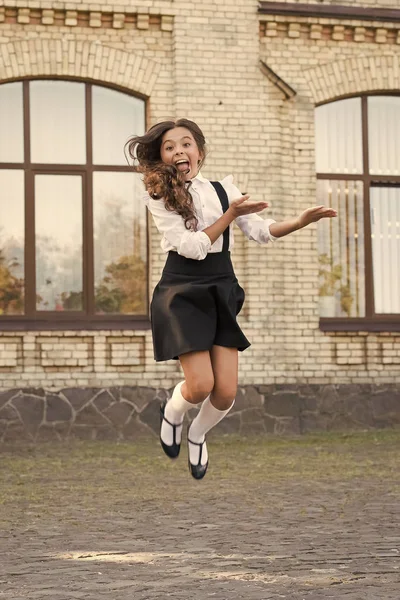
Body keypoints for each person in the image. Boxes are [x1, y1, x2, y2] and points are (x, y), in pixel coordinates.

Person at [127, 118, 336, 480]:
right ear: (161, 157)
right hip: (182, 291)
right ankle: (173, 413)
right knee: (200, 386)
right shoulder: (158, 196)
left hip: (221, 287)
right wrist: (230, 215)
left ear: (200, 152)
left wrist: (299, 221)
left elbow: (262, 231)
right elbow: (192, 248)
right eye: (170, 146)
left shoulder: (225, 190)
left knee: (224, 394)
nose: (179, 150)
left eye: (186, 143)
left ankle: (197, 435)